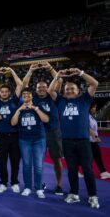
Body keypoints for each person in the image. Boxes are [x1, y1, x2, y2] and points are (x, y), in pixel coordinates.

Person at [48, 68, 100, 208]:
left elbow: (95, 84)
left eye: (72, 89)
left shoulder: (84, 100)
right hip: (67, 142)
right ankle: (74, 194)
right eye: (67, 89)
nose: (69, 91)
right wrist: (58, 76)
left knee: (88, 170)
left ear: (78, 91)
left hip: (83, 142)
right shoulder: (61, 101)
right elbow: (51, 91)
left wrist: (82, 73)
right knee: (71, 170)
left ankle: (93, 196)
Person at [22, 62, 64, 195]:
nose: (41, 89)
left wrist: (51, 68)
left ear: (48, 88)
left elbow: (60, 79)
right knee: (39, 161)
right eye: (39, 87)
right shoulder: (33, 98)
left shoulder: (53, 96)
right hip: (37, 133)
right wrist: (30, 71)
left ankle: (59, 184)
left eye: (44, 87)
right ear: (36, 89)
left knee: (56, 159)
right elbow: (24, 86)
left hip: (52, 131)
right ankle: (40, 183)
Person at [0, 67, 22, 194]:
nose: (4, 93)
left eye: (6, 91)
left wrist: (12, 71)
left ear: (9, 93)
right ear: (0, 93)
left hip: (14, 135)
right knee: (1, 161)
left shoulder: (14, 100)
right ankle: (3, 182)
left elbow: (20, 85)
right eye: (2, 91)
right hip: (1, 136)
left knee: (15, 161)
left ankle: (14, 182)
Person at [11, 87, 49, 198]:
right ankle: (27, 187)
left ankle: (39, 188)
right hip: (24, 140)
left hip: (38, 139)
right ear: (22, 97)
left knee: (38, 166)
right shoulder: (18, 107)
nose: (26, 96)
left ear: (32, 96)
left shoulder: (39, 105)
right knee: (27, 165)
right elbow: (13, 123)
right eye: (24, 94)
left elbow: (46, 119)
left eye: (28, 94)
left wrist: (35, 108)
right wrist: (19, 110)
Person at [89, 103, 110, 179]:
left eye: (95, 107)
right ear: (90, 108)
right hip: (89, 141)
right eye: (94, 107)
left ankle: (103, 172)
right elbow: (88, 129)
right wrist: (96, 137)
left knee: (97, 156)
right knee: (91, 158)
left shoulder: (92, 117)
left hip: (93, 141)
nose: (95, 109)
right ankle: (101, 172)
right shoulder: (87, 117)